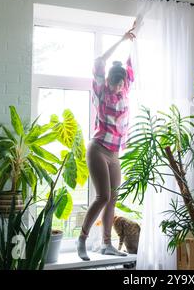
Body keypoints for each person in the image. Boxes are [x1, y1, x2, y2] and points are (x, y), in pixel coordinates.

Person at [77, 24, 136, 260]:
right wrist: (122, 40)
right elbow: (99, 60)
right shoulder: (101, 92)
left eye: (121, 83)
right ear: (108, 81)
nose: (118, 87)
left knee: (114, 197)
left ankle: (106, 244)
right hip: (98, 149)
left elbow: (133, 65)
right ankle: (81, 239)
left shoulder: (125, 90)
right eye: (115, 83)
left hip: (114, 153)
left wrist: (133, 42)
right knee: (102, 196)